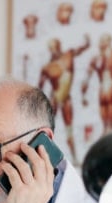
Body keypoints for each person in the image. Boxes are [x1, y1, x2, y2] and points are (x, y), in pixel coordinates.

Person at [38, 36, 91, 165]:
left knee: (69, 128)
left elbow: (82, 48)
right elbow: (39, 88)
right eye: (51, 48)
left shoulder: (69, 55)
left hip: (66, 99)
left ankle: (74, 157)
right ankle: (44, 161)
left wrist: (87, 42)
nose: (54, 50)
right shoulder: (47, 68)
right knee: (47, 131)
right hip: (54, 99)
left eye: (55, 46)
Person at [81, 33, 112, 136]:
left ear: (109, 42)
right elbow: (89, 73)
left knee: (110, 105)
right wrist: (85, 86)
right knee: (103, 106)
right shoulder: (97, 58)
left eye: (103, 41)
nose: (101, 43)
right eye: (100, 41)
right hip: (103, 87)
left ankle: (110, 129)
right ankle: (106, 129)